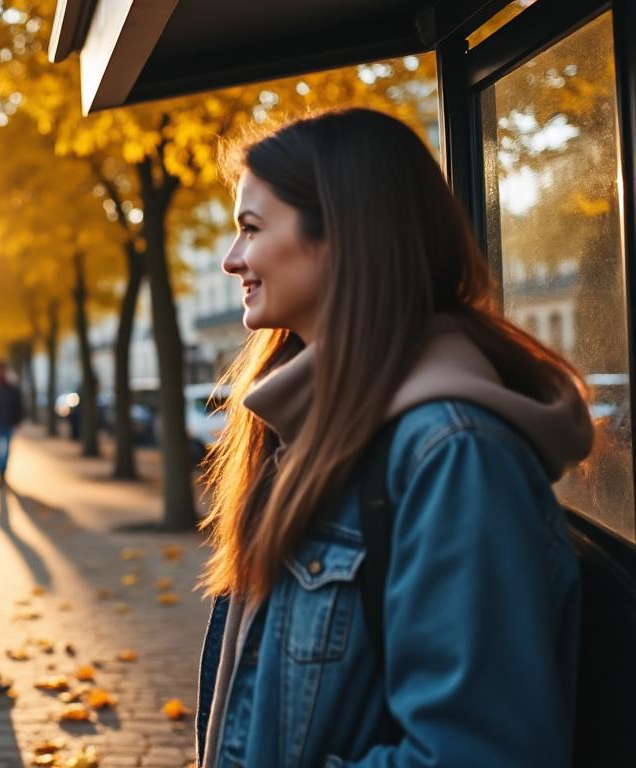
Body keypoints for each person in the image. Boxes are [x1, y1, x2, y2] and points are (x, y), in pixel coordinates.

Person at [195, 108, 592, 768]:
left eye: (251, 228)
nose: (232, 259)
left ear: (343, 238)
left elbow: (476, 754)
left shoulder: (452, 456)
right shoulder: (315, 428)